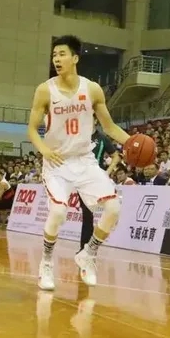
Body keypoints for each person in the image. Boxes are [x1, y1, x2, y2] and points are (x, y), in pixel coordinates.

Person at [27, 35, 130, 290]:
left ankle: (88, 254)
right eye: (54, 55)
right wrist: (44, 150)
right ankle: (46, 263)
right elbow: (32, 129)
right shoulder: (45, 90)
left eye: (61, 54)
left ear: (75, 58)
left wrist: (133, 142)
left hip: (84, 160)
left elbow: (110, 127)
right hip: (57, 163)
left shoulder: (92, 89)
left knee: (114, 208)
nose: (56, 59)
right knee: (58, 212)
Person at [78, 115, 120, 252]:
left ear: (96, 120)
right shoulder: (79, 138)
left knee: (111, 209)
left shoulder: (102, 138)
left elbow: (116, 156)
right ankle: (85, 248)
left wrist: (107, 171)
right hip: (83, 180)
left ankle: (94, 243)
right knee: (87, 214)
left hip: (99, 179)